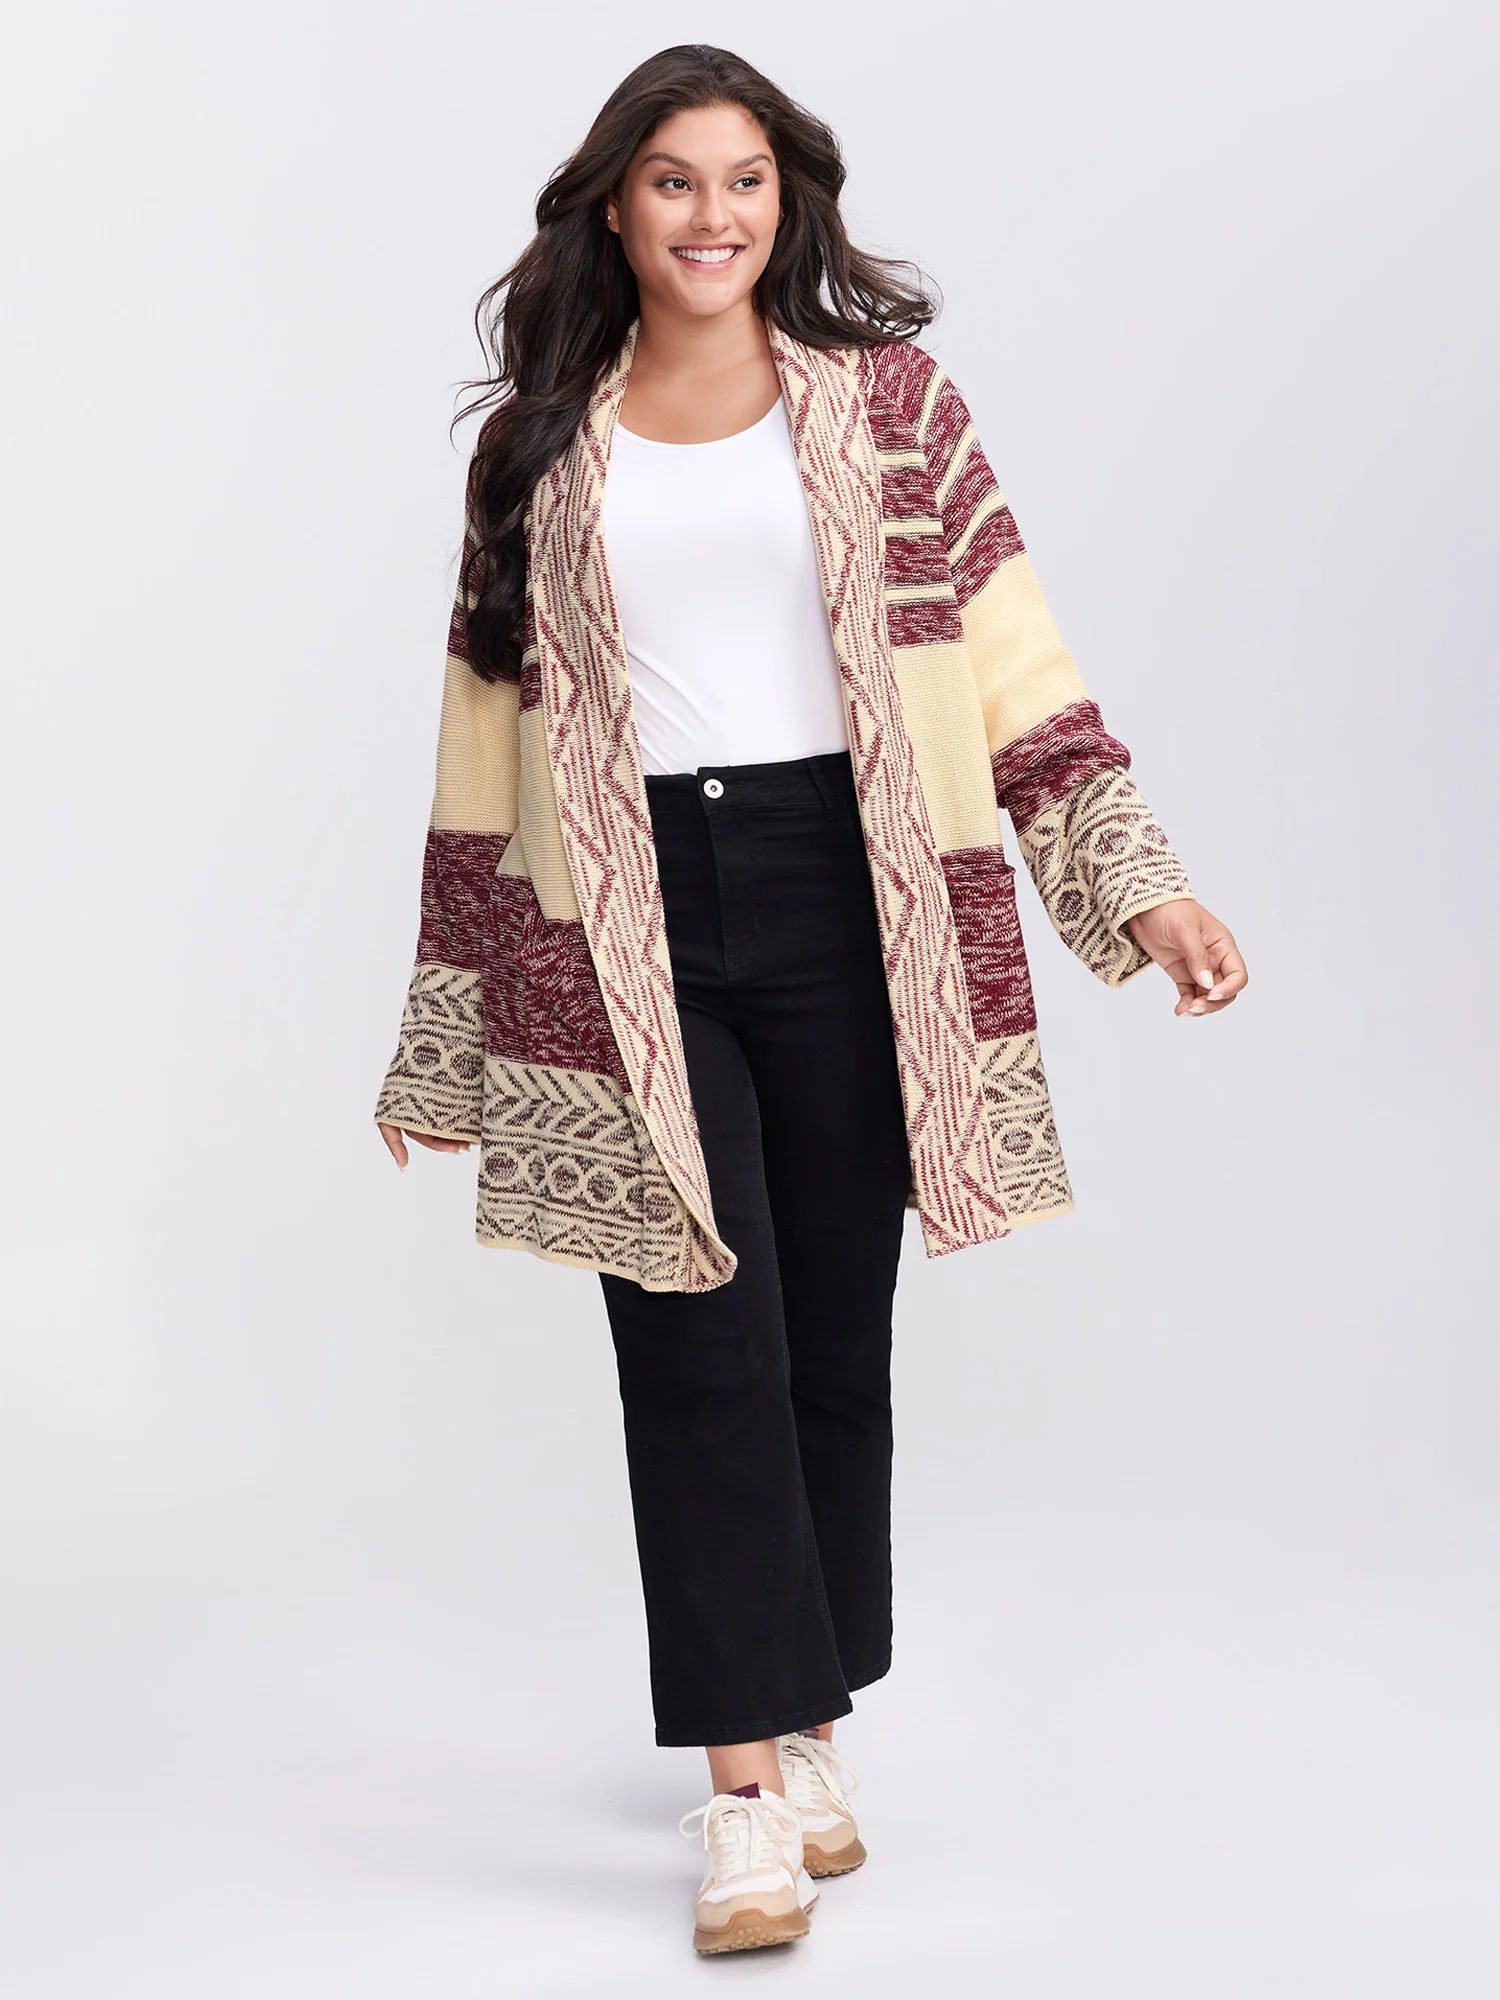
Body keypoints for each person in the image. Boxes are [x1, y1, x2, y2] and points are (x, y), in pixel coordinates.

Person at [374, 43, 1247, 1957]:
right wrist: (447, 1027)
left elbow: (1017, 666)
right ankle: (746, 1798)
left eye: (745, 180)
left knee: (831, 1348)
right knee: (699, 1346)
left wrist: (1142, 885)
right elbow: (478, 745)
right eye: (674, 182)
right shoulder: (536, 445)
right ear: (616, 205)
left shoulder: (895, 408)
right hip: (623, 921)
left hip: (865, 901)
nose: (714, 217)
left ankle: (813, 1717)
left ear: (791, 199)